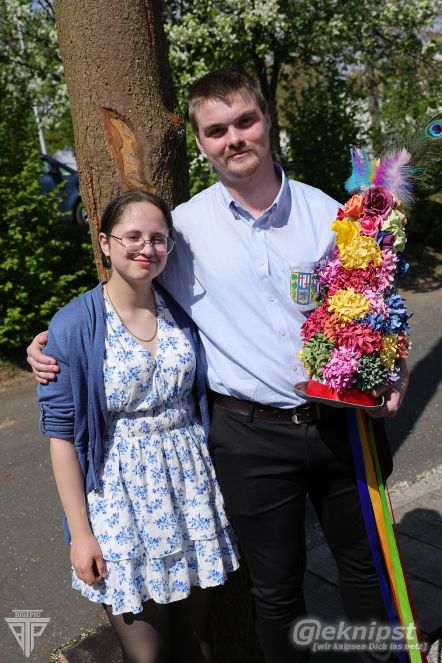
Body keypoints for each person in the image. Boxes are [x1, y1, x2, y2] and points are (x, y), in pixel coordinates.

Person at [29, 69, 408, 662]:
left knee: (367, 573)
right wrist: (56, 341)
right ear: (202, 142)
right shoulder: (183, 231)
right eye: (216, 130)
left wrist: (395, 369)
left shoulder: (330, 214)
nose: (234, 138)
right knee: (275, 591)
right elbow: (125, 293)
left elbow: (380, 305)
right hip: (249, 437)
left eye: (244, 121)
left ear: (267, 120)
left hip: (344, 424)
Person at [36, 189, 239, 663]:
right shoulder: (75, 324)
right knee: (147, 655)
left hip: (190, 491)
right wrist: (81, 534)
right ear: (105, 243)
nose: (146, 248)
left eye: (158, 238)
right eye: (133, 236)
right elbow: (61, 436)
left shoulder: (183, 310)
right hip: (120, 501)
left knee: (198, 642)